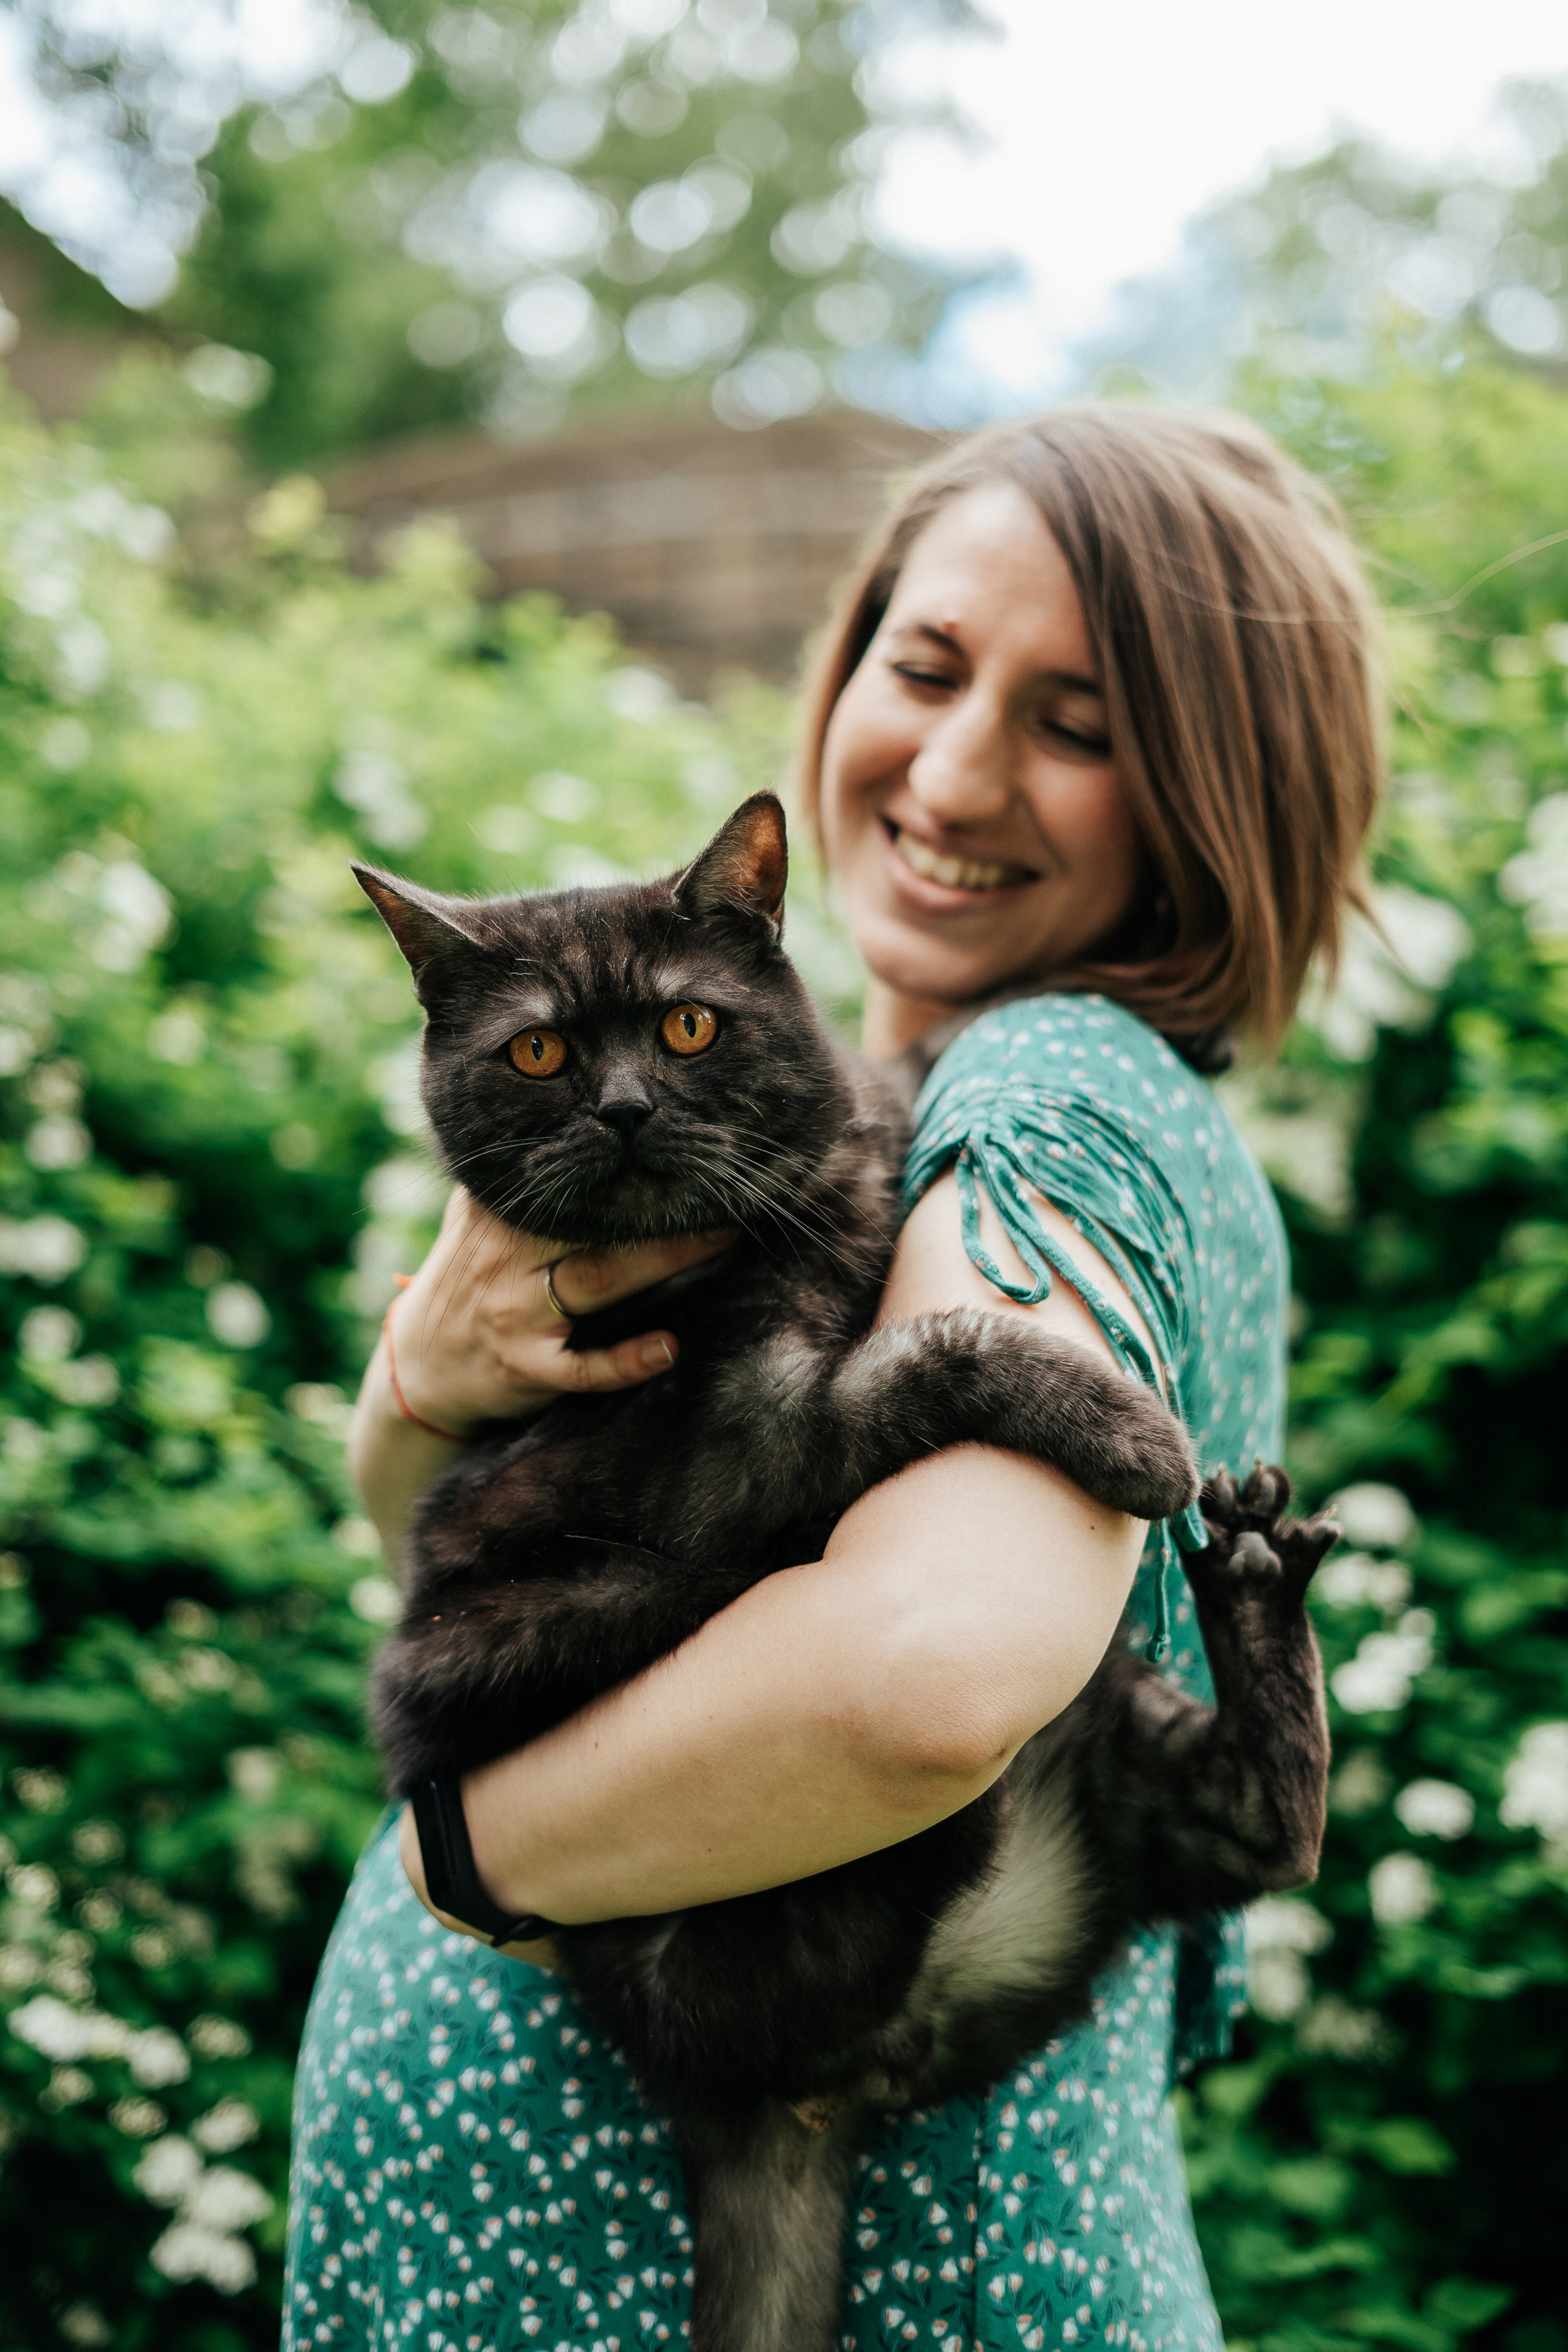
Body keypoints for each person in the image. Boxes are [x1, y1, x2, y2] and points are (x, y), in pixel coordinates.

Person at [284, 406, 1381, 2352]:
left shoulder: (1047, 1092)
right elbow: (449, 1565)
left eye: (1082, 722)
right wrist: (416, 1381)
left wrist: (468, 1853)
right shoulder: (864, 1123)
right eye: (931, 665)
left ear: (1216, 796)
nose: (957, 769)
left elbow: (921, 1673)